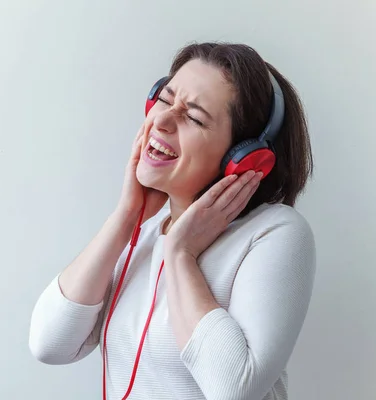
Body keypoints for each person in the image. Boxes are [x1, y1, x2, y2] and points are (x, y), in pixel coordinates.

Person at [29, 41, 316, 400]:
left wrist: (180, 255)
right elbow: (49, 345)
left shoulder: (274, 234)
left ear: (243, 158)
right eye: (164, 100)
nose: (161, 121)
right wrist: (127, 216)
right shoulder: (143, 233)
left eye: (193, 117)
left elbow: (234, 389)